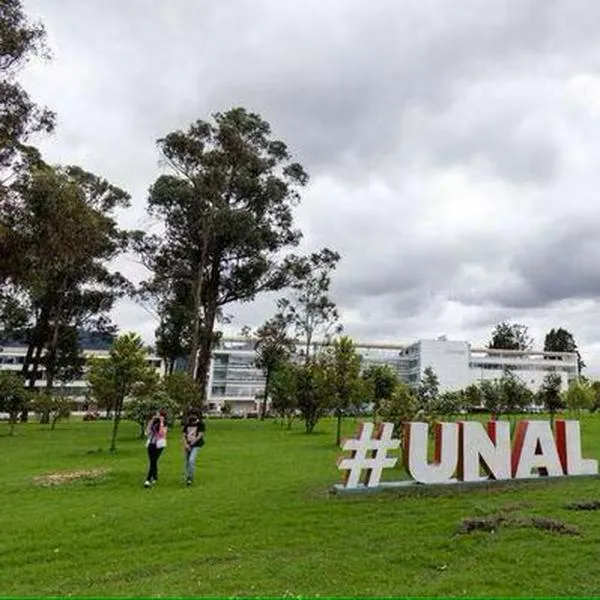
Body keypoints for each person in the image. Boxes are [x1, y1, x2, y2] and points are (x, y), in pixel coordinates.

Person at [144, 409, 168, 488]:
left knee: (153, 460)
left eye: (159, 415)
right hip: (151, 442)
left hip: (159, 444)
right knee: (152, 461)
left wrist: (161, 422)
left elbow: (162, 433)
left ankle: (148, 479)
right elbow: (147, 432)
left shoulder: (165, 424)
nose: (158, 417)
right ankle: (154, 476)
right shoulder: (153, 423)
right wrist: (151, 421)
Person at [182, 410, 205, 486]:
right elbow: (183, 435)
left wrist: (191, 444)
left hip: (196, 445)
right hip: (187, 444)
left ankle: (190, 478)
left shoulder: (201, 424)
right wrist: (185, 444)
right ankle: (188, 475)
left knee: (192, 460)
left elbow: (200, 435)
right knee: (187, 461)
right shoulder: (187, 424)